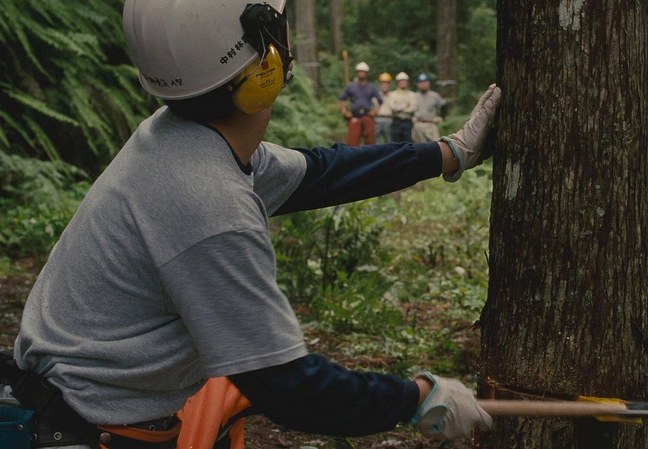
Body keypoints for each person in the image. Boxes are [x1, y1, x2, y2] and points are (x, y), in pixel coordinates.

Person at [5, 1, 501, 448]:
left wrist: (448, 154)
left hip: (71, 399)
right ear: (266, 65)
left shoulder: (178, 138)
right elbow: (288, 387)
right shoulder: (210, 205)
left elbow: (321, 172)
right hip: (80, 429)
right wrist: (415, 397)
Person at [338, 61, 384, 146]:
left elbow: (380, 101)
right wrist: (344, 112)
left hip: (368, 116)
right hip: (354, 116)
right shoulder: (351, 86)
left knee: (371, 142)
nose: (361, 73)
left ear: (367, 73)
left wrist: (375, 111)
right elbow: (341, 99)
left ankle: (370, 154)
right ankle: (353, 154)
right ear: (357, 72)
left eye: (363, 71)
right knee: (352, 142)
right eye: (359, 71)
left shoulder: (371, 87)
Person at [412, 73, 448, 143]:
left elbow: (444, 106)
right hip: (418, 124)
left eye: (425, 82)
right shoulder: (414, 96)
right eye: (421, 82)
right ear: (418, 84)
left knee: (435, 144)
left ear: (429, 83)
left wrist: (442, 117)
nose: (423, 84)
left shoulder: (434, 95)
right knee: (418, 146)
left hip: (431, 124)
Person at [388, 72, 418, 142]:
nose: (402, 83)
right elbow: (392, 107)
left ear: (407, 82)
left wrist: (399, 108)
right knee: (395, 143)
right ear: (398, 82)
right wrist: (405, 106)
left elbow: (413, 108)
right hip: (396, 121)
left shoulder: (412, 94)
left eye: (404, 81)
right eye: (400, 81)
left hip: (407, 122)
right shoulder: (392, 94)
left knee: (407, 142)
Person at [374, 72, 393, 143]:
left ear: (389, 84)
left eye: (387, 83)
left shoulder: (393, 95)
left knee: (389, 141)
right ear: (380, 84)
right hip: (377, 119)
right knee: (376, 141)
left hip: (389, 119)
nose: (385, 85)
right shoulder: (375, 96)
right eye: (383, 83)